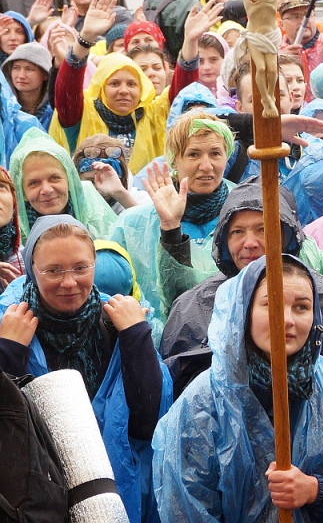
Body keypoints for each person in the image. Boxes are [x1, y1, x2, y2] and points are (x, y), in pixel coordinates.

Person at [153, 255, 323, 522]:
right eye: (270, 304)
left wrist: (318, 490)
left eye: (301, 307)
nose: (287, 320)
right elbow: (184, 507)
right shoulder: (202, 405)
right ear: (243, 311)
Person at [0, 215, 171, 521]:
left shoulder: (119, 322)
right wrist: (7, 354)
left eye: (80, 268)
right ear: (32, 271)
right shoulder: (8, 325)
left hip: (115, 496)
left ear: (94, 264)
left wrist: (137, 338)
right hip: (34, 501)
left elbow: (148, 425)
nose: (69, 282)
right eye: (53, 271)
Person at [159, 181, 323, 397]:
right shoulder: (194, 304)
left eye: (263, 229)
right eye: (237, 232)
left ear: (288, 234)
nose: (250, 243)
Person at [52, 0, 218, 172]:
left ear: (142, 89)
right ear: (101, 87)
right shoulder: (82, 112)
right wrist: (85, 38)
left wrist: (191, 41)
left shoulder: (154, 113)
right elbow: (67, 88)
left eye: (132, 84)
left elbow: (183, 92)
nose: (124, 90)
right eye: (114, 84)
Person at [109, 111, 235, 320]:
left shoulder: (244, 214)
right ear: (175, 160)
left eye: (215, 153)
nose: (206, 166)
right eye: (193, 154)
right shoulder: (133, 224)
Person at [9, 128, 117, 240]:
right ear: (22, 194)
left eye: (54, 178)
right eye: (33, 183)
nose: (46, 190)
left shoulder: (93, 209)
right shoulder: (11, 234)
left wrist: (120, 193)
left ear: (71, 180)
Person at [2, 42, 54, 129]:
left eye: (29, 69)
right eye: (16, 68)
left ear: (45, 74)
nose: (21, 76)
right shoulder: (4, 108)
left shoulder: (54, 111)